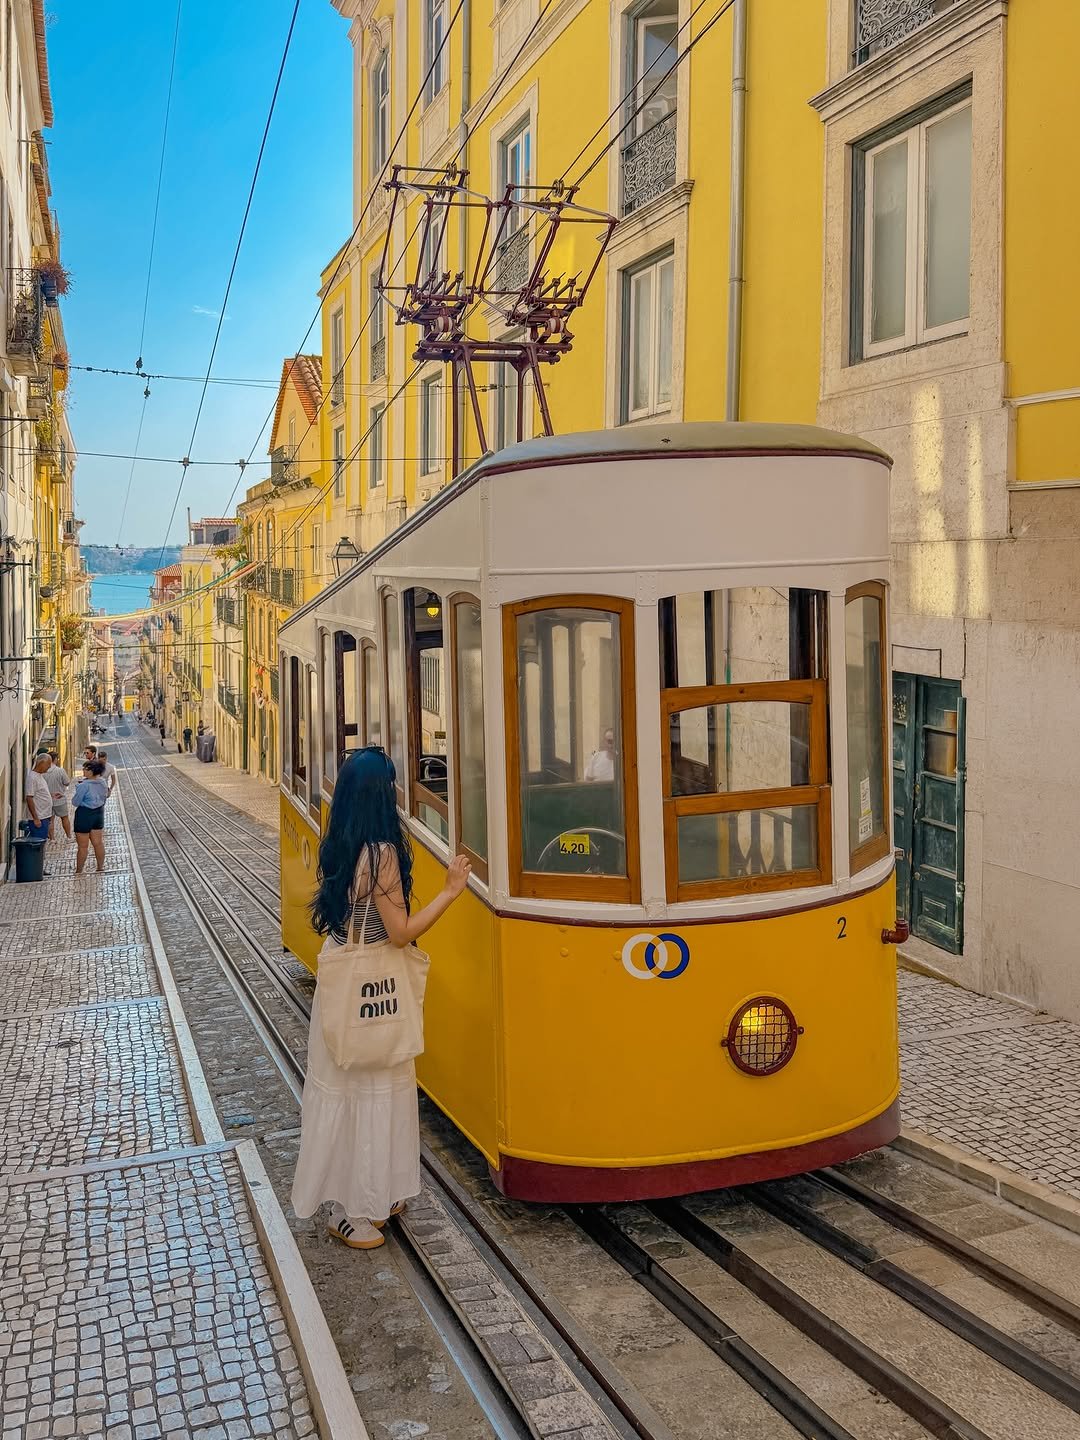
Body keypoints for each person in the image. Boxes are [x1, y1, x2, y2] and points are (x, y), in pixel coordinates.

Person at [291, 747, 471, 1251]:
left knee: (347, 1092)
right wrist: (450, 891)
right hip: (374, 989)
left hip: (345, 983)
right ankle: (351, 1211)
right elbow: (400, 933)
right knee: (372, 1094)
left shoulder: (341, 841)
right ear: (380, 794)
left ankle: (373, 1194)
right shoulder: (382, 854)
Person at [72, 759, 109, 875]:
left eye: (85, 769)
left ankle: (79, 870)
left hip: (84, 815)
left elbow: (75, 802)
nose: (83, 770)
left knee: (83, 846)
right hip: (98, 814)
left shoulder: (83, 785)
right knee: (98, 843)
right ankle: (100, 867)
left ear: (91, 771)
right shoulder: (103, 782)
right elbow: (105, 797)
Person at [43, 750, 72, 840]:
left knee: (50, 820)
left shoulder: (43, 771)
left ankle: (52, 839)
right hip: (60, 799)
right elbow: (67, 782)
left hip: (47, 800)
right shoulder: (60, 771)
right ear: (55, 759)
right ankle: (69, 836)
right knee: (64, 818)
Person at [24, 754, 53, 843]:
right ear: (41, 763)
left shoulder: (39, 776)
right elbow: (29, 798)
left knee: (42, 842)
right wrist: (36, 818)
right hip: (39, 818)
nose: (49, 767)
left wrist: (51, 795)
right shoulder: (32, 778)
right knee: (38, 843)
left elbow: (39, 793)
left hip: (44, 816)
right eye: (48, 764)